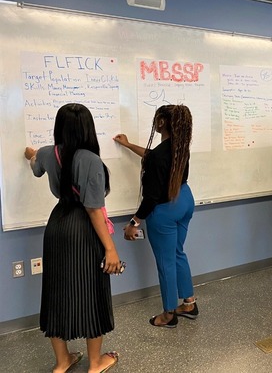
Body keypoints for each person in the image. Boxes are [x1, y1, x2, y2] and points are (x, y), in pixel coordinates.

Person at [24, 103, 121, 373]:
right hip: (83, 229)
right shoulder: (91, 160)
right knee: (93, 293)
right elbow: (93, 209)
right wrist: (110, 249)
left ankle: (62, 361)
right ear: (88, 129)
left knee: (55, 292)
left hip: (57, 226)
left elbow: (35, 165)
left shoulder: (46, 153)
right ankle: (96, 363)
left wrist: (30, 153)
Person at [113, 104, 197, 328]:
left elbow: (150, 199)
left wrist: (133, 223)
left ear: (161, 122)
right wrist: (128, 145)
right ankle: (189, 303)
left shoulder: (159, 156)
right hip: (185, 200)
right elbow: (152, 156)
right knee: (178, 253)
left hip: (164, 209)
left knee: (165, 262)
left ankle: (169, 315)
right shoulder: (180, 147)